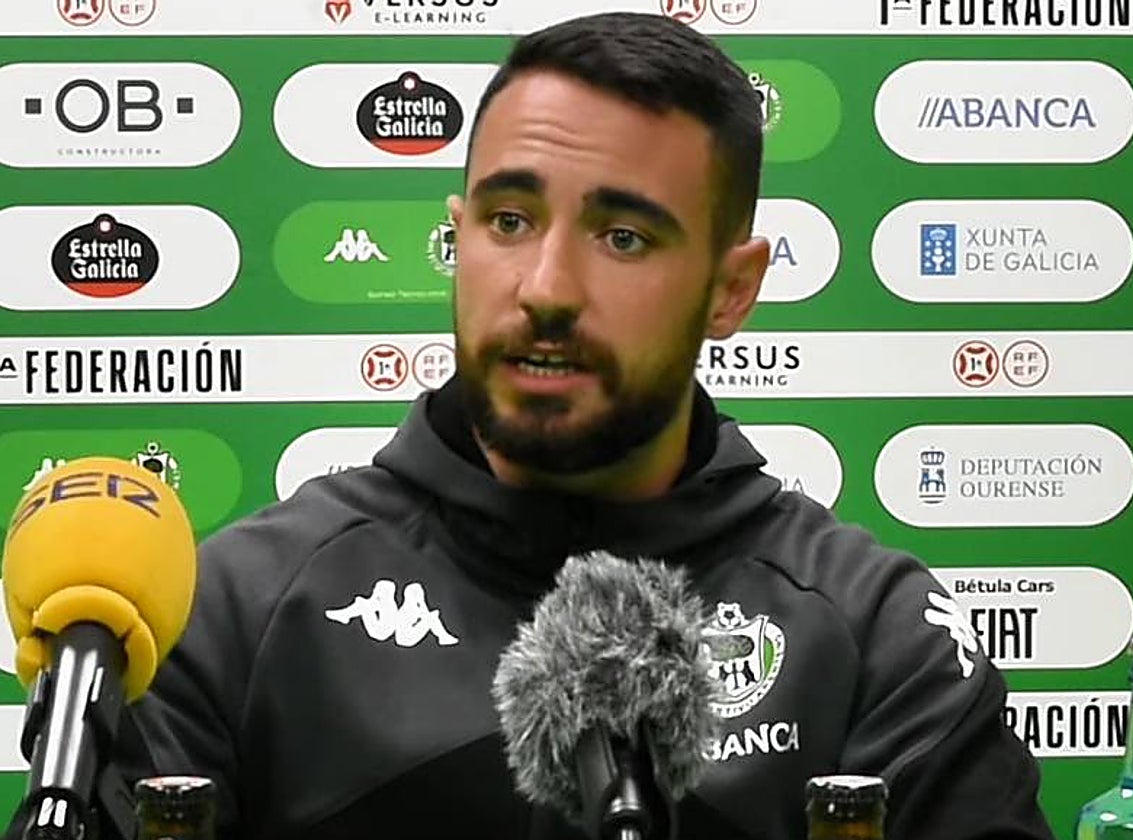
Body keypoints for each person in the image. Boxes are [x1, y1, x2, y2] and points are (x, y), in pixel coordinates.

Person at [107, 12, 1054, 840]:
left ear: (734, 288)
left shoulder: (874, 639)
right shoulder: (234, 614)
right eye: (509, 220)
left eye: (624, 237)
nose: (546, 289)